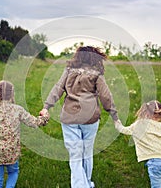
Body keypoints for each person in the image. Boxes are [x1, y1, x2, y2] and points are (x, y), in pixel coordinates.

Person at [39, 46, 121, 188]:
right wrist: (114, 116)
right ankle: (86, 183)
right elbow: (106, 96)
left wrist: (46, 106)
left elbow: (58, 88)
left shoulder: (69, 71)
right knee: (87, 152)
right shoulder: (96, 74)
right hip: (90, 118)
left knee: (75, 155)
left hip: (69, 117)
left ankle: (81, 184)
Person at [0, 80, 49, 188]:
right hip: (12, 152)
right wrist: (45, 117)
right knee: (13, 172)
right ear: (12, 94)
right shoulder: (18, 110)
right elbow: (34, 122)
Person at [115, 100, 161, 188]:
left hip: (156, 162)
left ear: (145, 112)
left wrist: (116, 121)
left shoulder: (140, 124)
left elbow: (124, 130)